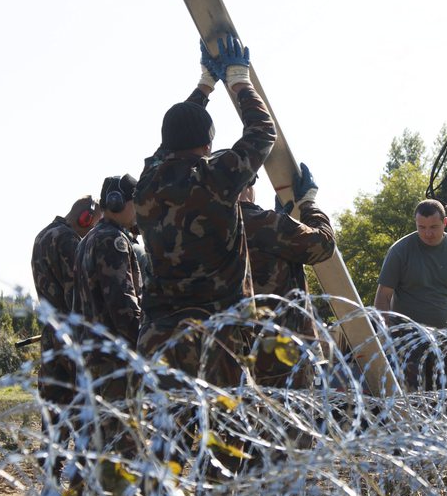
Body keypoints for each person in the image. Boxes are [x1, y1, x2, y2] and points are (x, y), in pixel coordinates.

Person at [134, 34, 274, 387]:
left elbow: (169, 142)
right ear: (209, 144)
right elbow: (261, 132)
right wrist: (240, 80)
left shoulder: (147, 182)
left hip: (160, 339)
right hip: (218, 338)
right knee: (223, 436)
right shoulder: (215, 177)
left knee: (171, 436)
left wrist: (205, 85)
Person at [239, 163, 336, 387]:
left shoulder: (208, 227)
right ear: (249, 185)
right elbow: (323, 244)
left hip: (230, 355)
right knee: (290, 420)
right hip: (281, 358)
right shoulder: (266, 224)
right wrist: (308, 204)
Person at [72, 174, 144, 456]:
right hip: (114, 362)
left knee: (97, 444)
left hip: (90, 359)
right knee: (125, 447)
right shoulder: (115, 242)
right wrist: (145, 347)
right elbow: (123, 304)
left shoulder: (86, 241)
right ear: (118, 202)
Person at [374, 199, 447, 388]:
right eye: (421, 227)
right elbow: (383, 296)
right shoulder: (400, 251)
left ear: (445, 223)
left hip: (443, 338)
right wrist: (385, 332)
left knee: (445, 399)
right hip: (406, 339)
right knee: (411, 401)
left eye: (434, 227)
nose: (428, 233)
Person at [30, 195, 97, 472]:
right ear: (86, 218)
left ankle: (51, 473)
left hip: (50, 335)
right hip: (72, 336)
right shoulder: (70, 241)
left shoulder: (42, 236)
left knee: (53, 408)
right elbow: (78, 294)